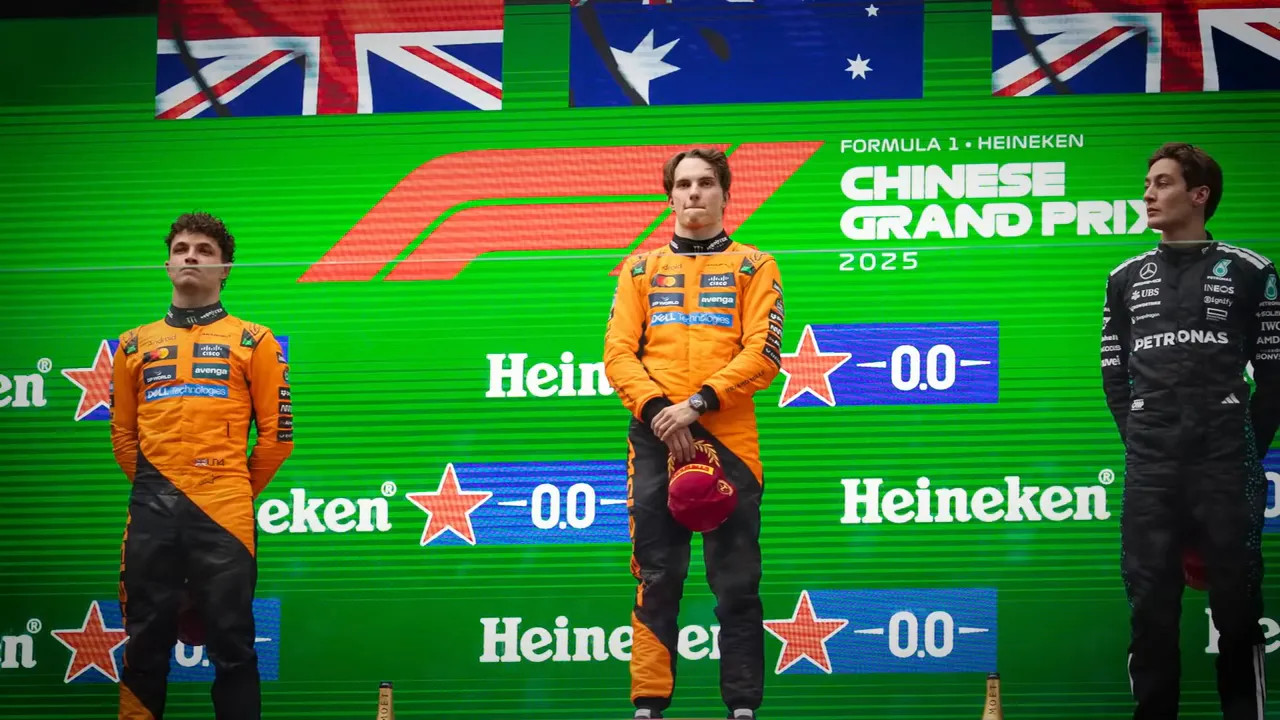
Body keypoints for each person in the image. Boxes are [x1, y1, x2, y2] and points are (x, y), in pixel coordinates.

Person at [604, 148, 784, 720]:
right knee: (658, 576)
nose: (694, 194)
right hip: (655, 435)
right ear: (670, 196)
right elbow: (616, 354)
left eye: (706, 183)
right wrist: (661, 409)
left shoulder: (756, 266)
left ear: (725, 193)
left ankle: (742, 708)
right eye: (683, 185)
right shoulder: (639, 269)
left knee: (736, 583)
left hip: (728, 436)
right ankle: (649, 707)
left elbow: (764, 353)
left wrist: (698, 405)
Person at [1101, 142, 1278, 720]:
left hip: (1227, 463)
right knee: (1150, 609)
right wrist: (1145, 435)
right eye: (1148, 183)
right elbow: (1112, 370)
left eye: (1163, 183)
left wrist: (1242, 445)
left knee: (1237, 611)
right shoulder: (1125, 277)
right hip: (1151, 468)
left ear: (1199, 195)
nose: (1148, 194)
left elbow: (1275, 374)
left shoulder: (1253, 271)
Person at [110, 212, 293, 720]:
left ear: (225, 267)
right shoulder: (131, 344)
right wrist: (162, 488)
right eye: (182, 248)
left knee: (233, 645)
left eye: (205, 250)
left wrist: (227, 489)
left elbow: (278, 439)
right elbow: (123, 437)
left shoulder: (254, 340)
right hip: (151, 507)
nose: (191, 255)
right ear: (167, 263)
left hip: (225, 510)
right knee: (144, 645)